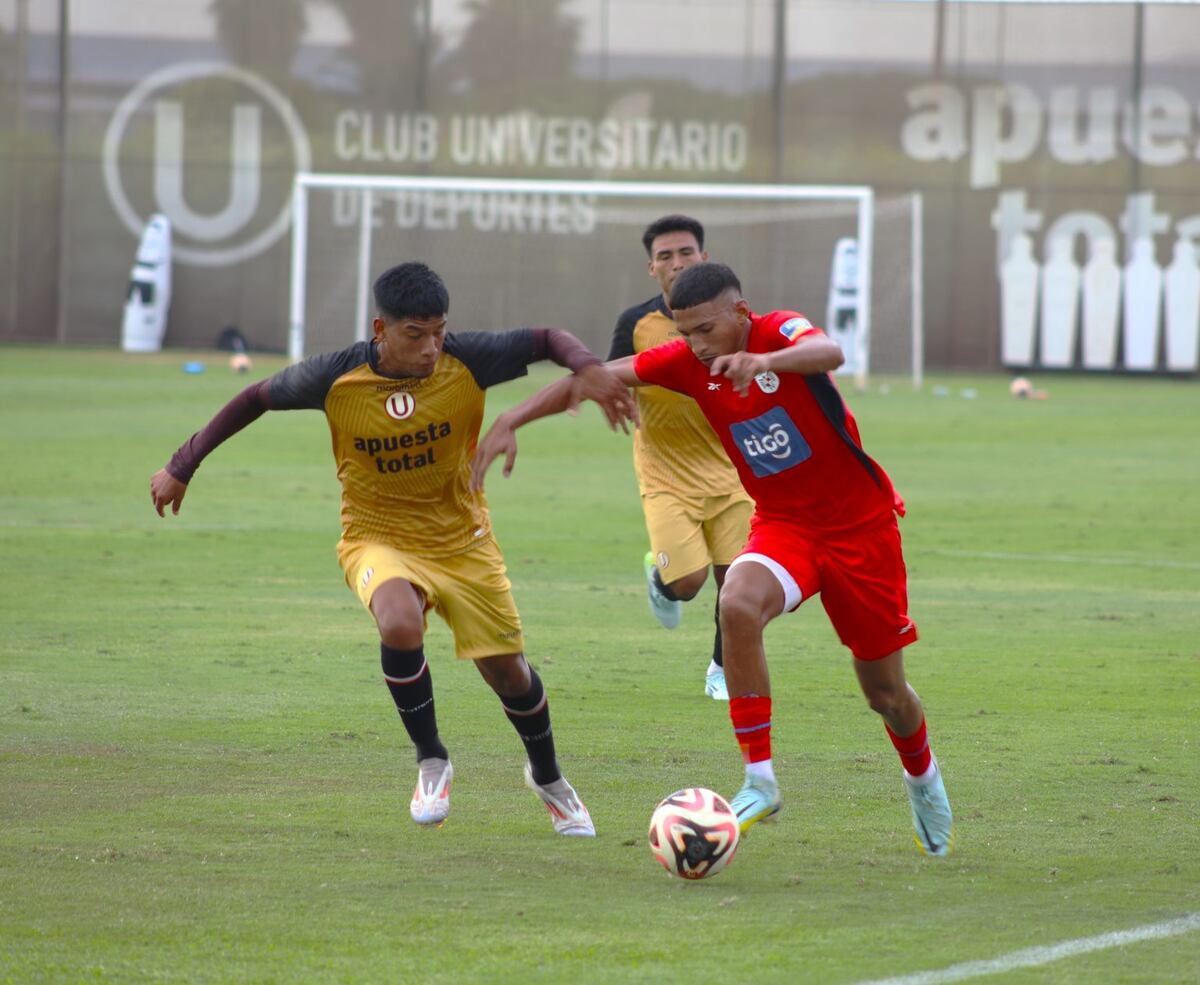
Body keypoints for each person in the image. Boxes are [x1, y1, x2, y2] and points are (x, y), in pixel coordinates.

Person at [472, 262, 954, 857]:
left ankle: (921, 776)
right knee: (738, 603)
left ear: (740, 312)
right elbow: (594, 377)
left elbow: (828, 353)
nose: (694, 346)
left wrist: (765, 362)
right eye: (684, 332)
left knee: (885, 693)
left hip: (862, 531)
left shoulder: (778, 332)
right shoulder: (685, 363)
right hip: (785, 527)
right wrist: (512, 417)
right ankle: (760, 780)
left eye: (705, 330)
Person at [150, 261, 637, 836]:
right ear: (381, 331)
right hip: (374, 536)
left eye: (438, 332)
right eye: (416, 335)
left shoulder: (466, 358)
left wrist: (588, 366)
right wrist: (183, 463)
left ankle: (548, 777)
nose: (432, 348)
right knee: (400, 622)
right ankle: (432, 758)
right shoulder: (335, 376)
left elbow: (549, 339)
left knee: (508, 673)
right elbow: (254, 397)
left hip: (464, 541)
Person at [606, 215, 753, 701]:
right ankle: (661, 579)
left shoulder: (733, 316)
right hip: (666, 472)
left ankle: (721, 668)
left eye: (685, 253)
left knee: (736, 581)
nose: (676, 263)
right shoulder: (637, 323)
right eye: (665, 256)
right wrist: (615, 397)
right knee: (688, 583)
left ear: (703, 257)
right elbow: (609, 374)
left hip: (734, 470)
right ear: (652, 268)